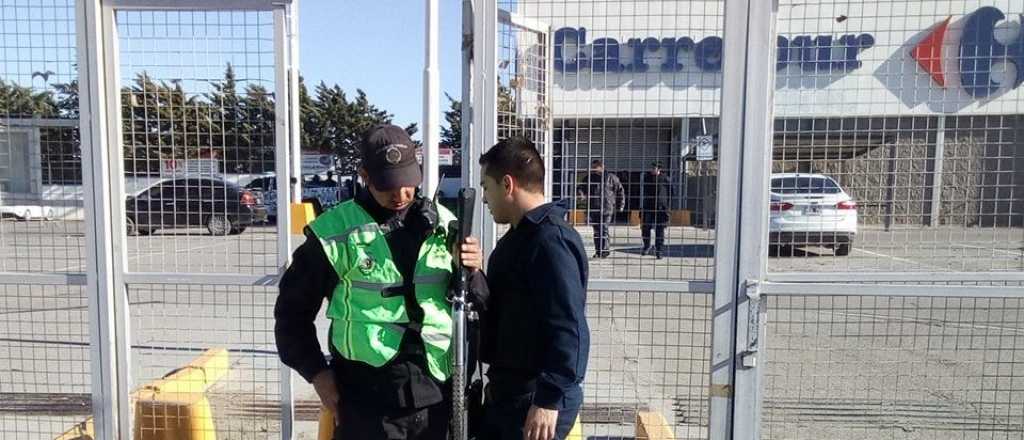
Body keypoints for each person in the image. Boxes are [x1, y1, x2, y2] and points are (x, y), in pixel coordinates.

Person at [274, 124, 485, 440]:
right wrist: (317, 373)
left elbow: (477, 302)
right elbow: (291, 314)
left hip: (435, 394)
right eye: (388, 185)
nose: (400, 194)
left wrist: (473, 270)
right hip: (367, 397)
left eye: (407, 183)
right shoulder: (334, 232)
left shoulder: (445, 223)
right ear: (365, 176)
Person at [477, 136, 590, 440]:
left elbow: (568, 327)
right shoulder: (520, 237)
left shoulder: (550, 241)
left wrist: (548, 400)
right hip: (511, 393)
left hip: (536, 399)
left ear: (508, 185)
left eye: (486, 187)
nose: (485, 199)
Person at [577, 159, 624, 258]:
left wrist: (621, 205)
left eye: (595, 167)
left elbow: (620, 191)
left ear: (601, 166)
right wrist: (581, 194)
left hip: (607, 208)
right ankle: (598, 251)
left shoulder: (612, 178)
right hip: (594, 208)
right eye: (592, 167)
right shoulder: (589, 177)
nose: (593, 169)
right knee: (597, 231)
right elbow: (581, 187)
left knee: (604, 228)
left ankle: (605, 250)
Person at [640, 161, 671, 259]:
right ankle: (646, 246)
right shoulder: (647, 178)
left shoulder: (665, 179)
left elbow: (671, 193)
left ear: (659, 169)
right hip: (648, 207)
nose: (652, 169)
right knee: (645, 228)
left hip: (661, 208)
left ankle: (659, 251)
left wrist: (667, 206)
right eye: (652, 167)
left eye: (654, 168)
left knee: (660, 230)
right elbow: (643, 192)